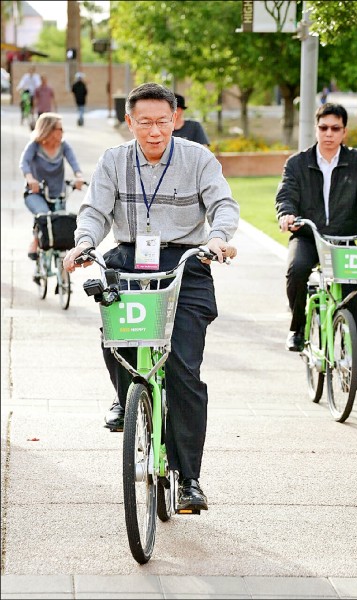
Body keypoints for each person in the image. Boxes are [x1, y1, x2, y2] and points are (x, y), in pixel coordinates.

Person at [63, 82, 239, 512]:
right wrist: (83, 243)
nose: (155, 130)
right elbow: (95, 211)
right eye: (145, 122)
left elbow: (223, 205)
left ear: (175, 119)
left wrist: (218, 239)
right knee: (115, 339)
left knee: (182, 368)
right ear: (130, 122)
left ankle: (189, 479)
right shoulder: (113, 161)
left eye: (163, 121)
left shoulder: (198, 158)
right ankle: (128, 398)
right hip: (129, 255)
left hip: (186, 259)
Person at [275, 103, 357, 389]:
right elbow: (286, 193)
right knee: (297, 270)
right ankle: (298, 327)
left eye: (335, 128)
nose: (328, 133)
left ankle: (353, 366)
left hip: (344, 240)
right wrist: (287, 214)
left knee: (352, 297)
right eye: (323, 127)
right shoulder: (297, 162)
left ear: (344, 131)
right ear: (316, 129)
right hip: (308, 236)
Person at [19, 112, 84, 260]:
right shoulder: (35, 145)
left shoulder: (63, 145)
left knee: (60, 225)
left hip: (58, 194)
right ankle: (35, 241)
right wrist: (30, 179)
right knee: (43, 215)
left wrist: (79, 176)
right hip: (36, 192)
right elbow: (24, 163)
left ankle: (63, 274)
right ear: (48, 129)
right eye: (59, 129)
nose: (62, 132)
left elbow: (74, 163)